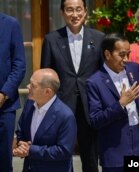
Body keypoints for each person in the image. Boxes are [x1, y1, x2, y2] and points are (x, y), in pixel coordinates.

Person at [40, 0, 104, 171]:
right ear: (62, 12)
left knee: (90, 157)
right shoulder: (51, 39)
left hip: (90, 105)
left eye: (78, 10)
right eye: (69, 10)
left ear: (85, 12)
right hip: (61, 105)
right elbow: (45, 74)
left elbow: (102, 74)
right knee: (61, 155)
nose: (74, 14)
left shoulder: (98, 38)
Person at [86, 33, 139, 172]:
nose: (126, 59)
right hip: (115, 151)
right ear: (107, 54)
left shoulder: (135, 69)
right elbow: (95, 120)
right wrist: (120, 105)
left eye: (128, 54)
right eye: (121, 55)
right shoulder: (94, 82)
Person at [13, 68, 77, 172]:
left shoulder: (65, 116)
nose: (28, 87)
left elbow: (64, 151)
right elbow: (21, 129)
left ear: (48, 91)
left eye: (33, 85)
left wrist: (31, 150)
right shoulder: (29, 104)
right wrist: (22, 144)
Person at [0, 13, 26, 172]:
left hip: (4, 106)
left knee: (3, 161)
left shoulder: (11, 24)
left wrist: (3, 94)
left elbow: (19, 65)